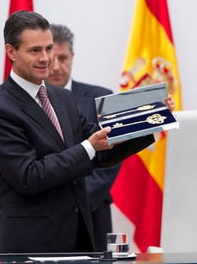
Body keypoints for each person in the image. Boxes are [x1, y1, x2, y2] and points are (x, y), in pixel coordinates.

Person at [0, 10, 172, 254]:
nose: (46, 58)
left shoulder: (63, 98)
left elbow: (102, 151)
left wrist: (151, 119)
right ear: (11, 52)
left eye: (48, 49)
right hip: (28, 245)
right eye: (34, 50)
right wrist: (88, 147)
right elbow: (29, 176)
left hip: (78, 240)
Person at [45, 23, 121, 252]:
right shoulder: (30, 103)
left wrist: (73, 201)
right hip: (45, 216)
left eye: (64, 58)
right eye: (52, 58)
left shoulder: (101, 98)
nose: (57, 66)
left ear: (73, 57)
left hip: (92, 212)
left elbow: (110, 158)